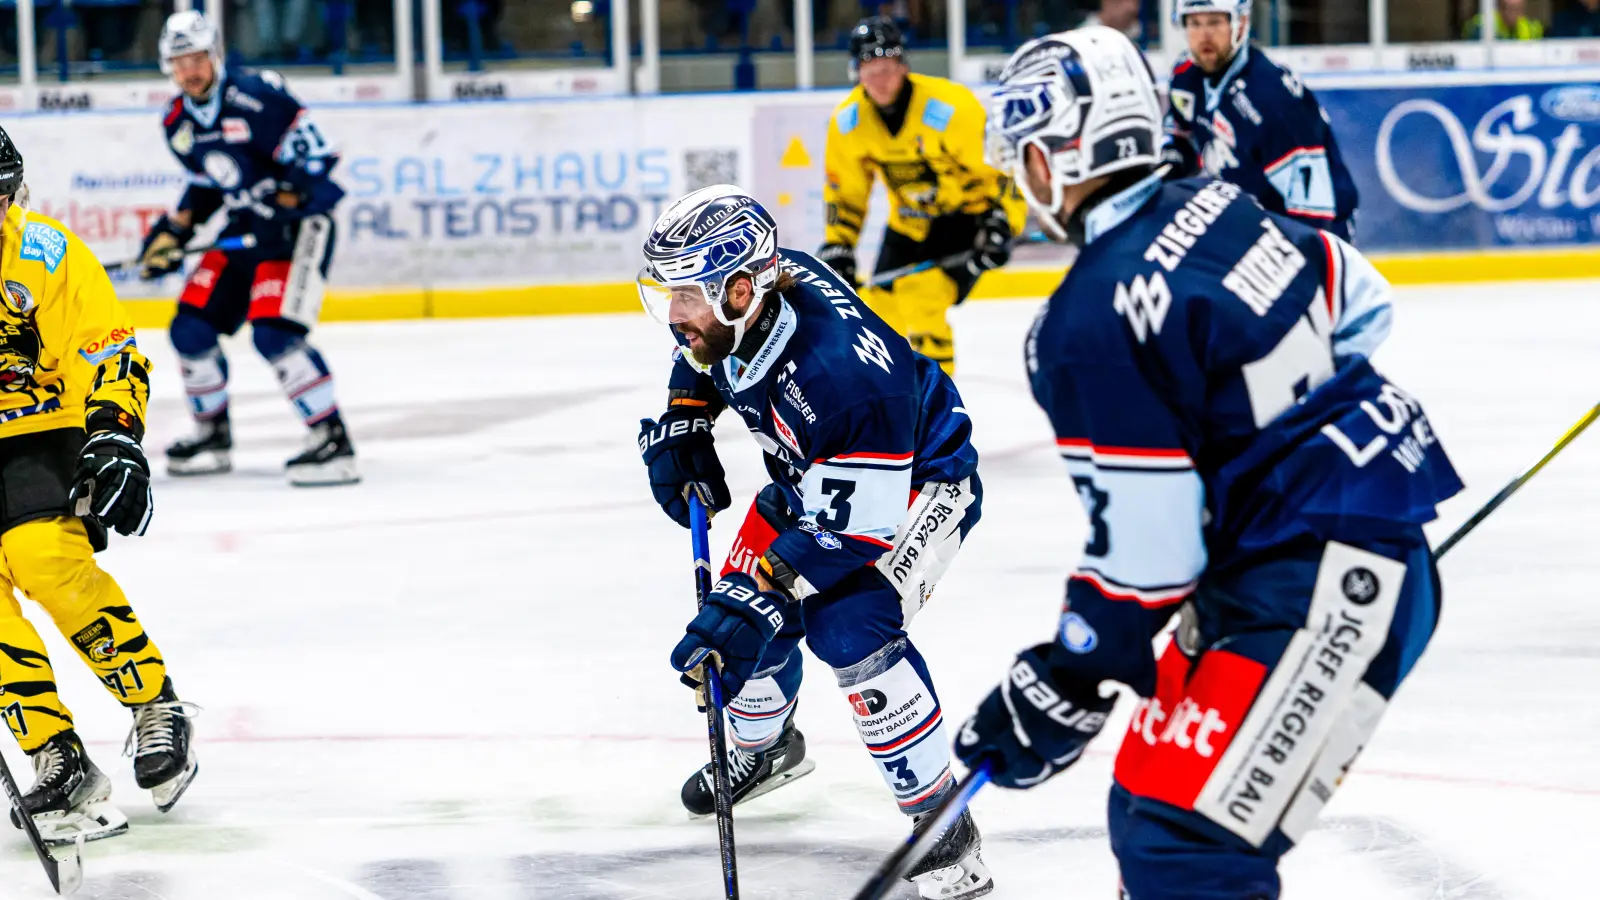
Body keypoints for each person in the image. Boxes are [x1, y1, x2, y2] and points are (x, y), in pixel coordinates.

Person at [953, 27, 1463, 899]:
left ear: (1056, 156)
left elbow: (1151, 558)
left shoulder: (1083, 324)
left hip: (1324, 581)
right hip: (1339, 547)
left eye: (1027, 155)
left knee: (1182, 842)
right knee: (1153, 801)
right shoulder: (1221, 204)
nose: (1022, 176)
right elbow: (1357, 295)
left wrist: (1069, 668)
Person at [637, 185, 992, 898]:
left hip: (915, 485)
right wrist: (686, 416)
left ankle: (943, 828)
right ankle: (767, 751)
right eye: (666, 293)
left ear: (739, 291)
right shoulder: (761, 295)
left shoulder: (842, 380)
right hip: (821, 479)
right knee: (741, 625)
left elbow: (854, 529)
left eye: (687, 297)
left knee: (845, 624)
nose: (673, 316)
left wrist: (762, 594)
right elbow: (705, 354)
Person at [0, 125, 199, 845]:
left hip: (42, 426)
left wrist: (114, 432)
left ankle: (153, 702)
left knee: (44, 560)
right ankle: (56, 754)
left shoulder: (44, 254)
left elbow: (106, 346)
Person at [138, 11, 357, 487]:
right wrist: (171, 235)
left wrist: (291, 201)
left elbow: (321, 163)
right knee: (190, 327)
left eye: (197, 58)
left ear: (215, 55)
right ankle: (212, 434)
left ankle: (332, 439)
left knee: (274, 335)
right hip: (246, 231)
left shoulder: (258, 98)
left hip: (296, 232)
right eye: (180, 62)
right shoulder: (178, 121)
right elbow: (205, 188)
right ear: (168, 68)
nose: (190, 70)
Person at [819, 15, 1026, 374]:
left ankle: (939, 413)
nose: (880, 79)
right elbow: (846, 195)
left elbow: (1001, 169)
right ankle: (895, 402)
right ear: (856, 72)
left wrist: (1004, 221)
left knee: (923, 299)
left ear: (903, 64)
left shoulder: (952, 107)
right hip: (910, 225)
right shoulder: (849, 122)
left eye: (887, 66)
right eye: (870, 69)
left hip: (966, 219)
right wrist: (840, 245)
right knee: (876, 314)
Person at [1163, 0, 1359, 241]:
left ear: (1242, 23)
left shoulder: (1273, 99)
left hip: (1310, 231)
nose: (1204, 34)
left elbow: (1314, 212)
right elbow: (1180, 134)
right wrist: (1172, 156)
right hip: (1246, 225)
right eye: (1194, 23)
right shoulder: (1186, 77)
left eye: (1215, 22)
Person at [1463, 0, 1545, 39]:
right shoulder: (1483, 26)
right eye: (1509, 8)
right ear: (1500, 9)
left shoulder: (1532, 28)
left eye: (1517, 9)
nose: (1512, 14)